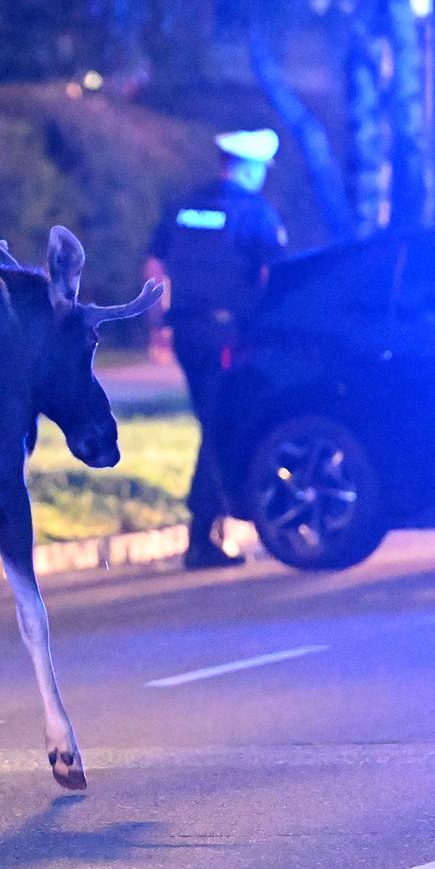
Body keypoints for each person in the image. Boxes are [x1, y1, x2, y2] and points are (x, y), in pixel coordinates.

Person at [146, 128, 288, 569]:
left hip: (188, 333)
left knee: (212, 423)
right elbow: (274, 276)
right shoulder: (255, 213)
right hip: (231, 336)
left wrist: (157, 326)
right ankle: (202, 535)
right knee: (222, 428)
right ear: (246, 168)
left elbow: (154, 266)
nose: (262, 178)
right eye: (260, 170)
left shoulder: (186, 206)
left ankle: (207, 530)